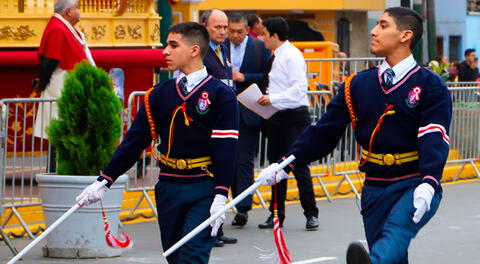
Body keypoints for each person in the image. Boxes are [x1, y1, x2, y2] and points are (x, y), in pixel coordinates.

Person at [257, 7, 451, 264]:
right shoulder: (357, 85)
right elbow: (324, 132)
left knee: (396, 232)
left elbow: (434, 136)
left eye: (383, 25)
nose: (373, 31)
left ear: (405, 35)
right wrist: (286, 163)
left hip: (413, 182)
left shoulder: (429, 85)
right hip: (374, 185)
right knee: (391, 254)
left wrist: (429, 180)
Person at [75, 22, 239, 264]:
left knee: (193, 255)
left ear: (194, 50)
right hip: (169, 186)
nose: (165, 51)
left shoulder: (220, 94)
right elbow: (135, 141)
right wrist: (104, 180)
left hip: (204, 185)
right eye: (166, 45)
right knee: (174, 256)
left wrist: (220, 194)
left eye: (173, 45)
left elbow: (226, 147)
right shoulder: (159, 94)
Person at [256, 17, 319, 230]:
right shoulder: (274, 57)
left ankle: (311, 213)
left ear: (274, 35)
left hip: (294, 118)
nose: (261, 38)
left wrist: (272, 99)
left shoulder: (292, 56)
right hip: (277, 117)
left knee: (299, 165)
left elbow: (299, 89)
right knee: (275, 168)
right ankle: (275, 215)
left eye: (264, 34)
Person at [33, 0, 95, 172]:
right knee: (59, 130)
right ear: (68, 11)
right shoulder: (57, 28)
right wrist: (42, 84)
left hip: (67, 85)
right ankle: (55, 170)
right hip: (59, 87)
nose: (80, 11)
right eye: (78, 8)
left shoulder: (65, 27)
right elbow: (50, 60)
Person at [224, 12, 271, 227]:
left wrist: (245, 78)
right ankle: (229, 203)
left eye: (239, 32)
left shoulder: (260, 48)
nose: (234, 35)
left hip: (248, 111)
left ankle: (243, 208)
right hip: (224, 111)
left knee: (244, 160)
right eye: (231, 31)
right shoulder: (220, 46)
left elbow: (266, 75)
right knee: (228, 159)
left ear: (246, 30)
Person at [200, 8, 238, 246]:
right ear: (206, 27)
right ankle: (207, 229)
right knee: (208, 177)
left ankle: (218, 226)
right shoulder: (200, 51)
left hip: (226, 119)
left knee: (223, 174)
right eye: (218, 27)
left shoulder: (223, 49)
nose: (223, 31)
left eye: (225, 27)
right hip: (208, 122)